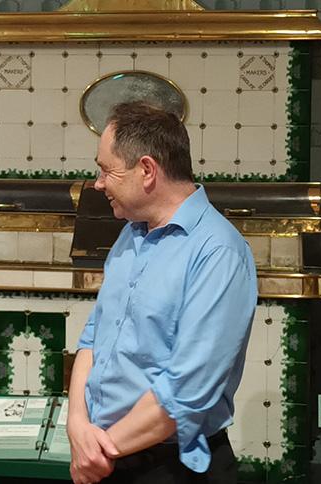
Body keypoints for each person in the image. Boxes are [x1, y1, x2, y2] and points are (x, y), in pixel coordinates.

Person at [66, 102, 258, 484]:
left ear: (148, 170)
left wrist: (100, 451)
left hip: (168, 468)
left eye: (107, 170)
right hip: (105, 455)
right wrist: (76, 424)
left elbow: (186, 391)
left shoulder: (218, 251)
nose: (98, 183)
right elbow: (93, 337)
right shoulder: (131, 233)